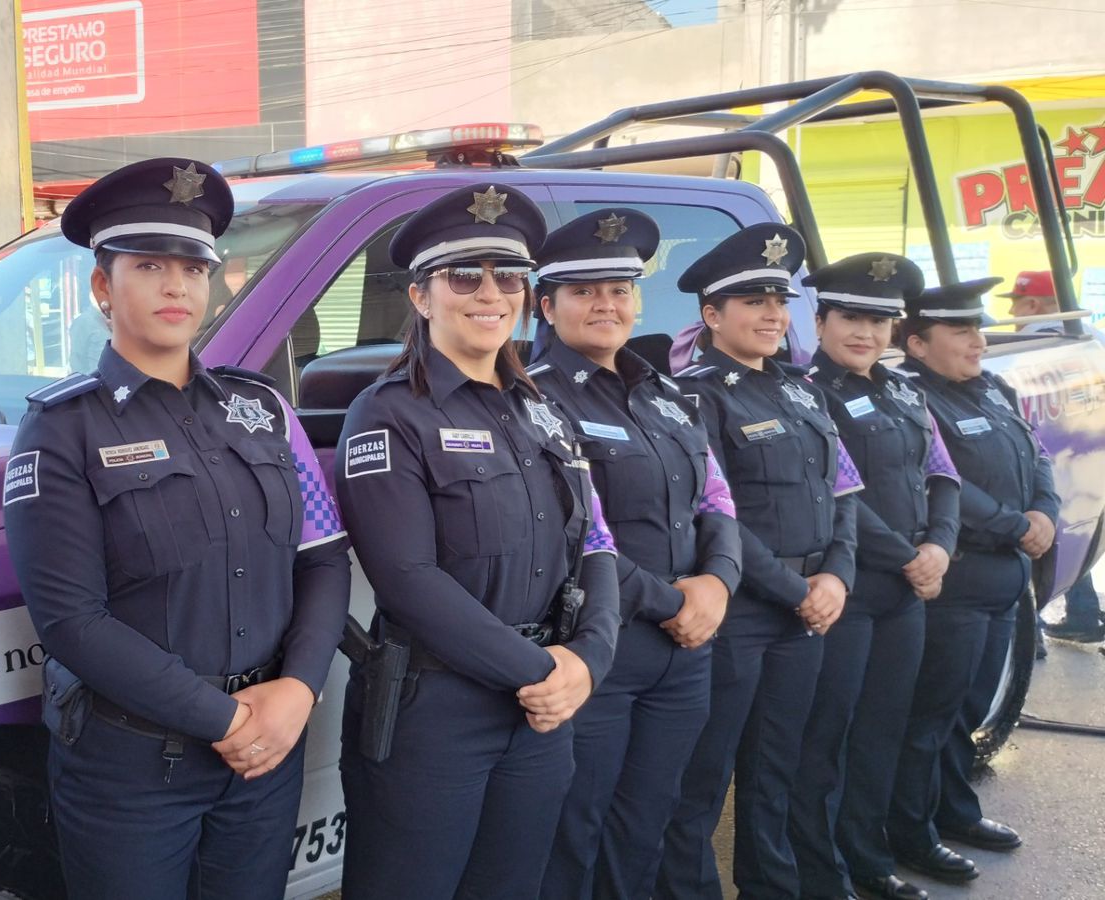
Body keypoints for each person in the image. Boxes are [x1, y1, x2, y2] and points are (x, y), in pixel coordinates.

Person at [1, 157, 351, 900]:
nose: (175, 285)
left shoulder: (262, 412)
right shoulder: (61, 429)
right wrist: (223, 719)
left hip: (266, 753)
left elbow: (321, 559)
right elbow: (70, 620)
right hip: (133, 765)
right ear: (103, 287)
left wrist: (297, 689)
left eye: (194, 267)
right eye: (149, 265)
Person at [331, 183, 620, 899]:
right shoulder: (386, 415)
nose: (490, 293)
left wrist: (589, 658)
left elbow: (597, 543)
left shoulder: (543, 410)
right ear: (423, 296)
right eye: (465, 276)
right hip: (438, 708)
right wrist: (542, 671)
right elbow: (406, 577)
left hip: (539, 709)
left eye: (509, 277)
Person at [527, 208, 742, 900]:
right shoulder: (533, 400)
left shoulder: (668, 396)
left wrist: (720, 582)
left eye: (619, 289)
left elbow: (719, 502)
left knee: (649, 822)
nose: (606, 304)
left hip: (684, 654)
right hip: (602, 647)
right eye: (585, 291)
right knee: (573, 830)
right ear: (547, 304)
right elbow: (570, 532)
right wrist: (676, 600)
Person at [657, 222, 863, 900]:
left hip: (806, 609)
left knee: (776, 771)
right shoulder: (693, 395)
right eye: (753, 302)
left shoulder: (803, 390)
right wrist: (793, 587)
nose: (773, 316)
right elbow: (713, 512)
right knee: (700, 780)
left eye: (780, 301)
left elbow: (843, 493)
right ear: (712, 315)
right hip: (741, 613)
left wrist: (836, 573)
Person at [787, 254, 961, 900]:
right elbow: (838, 495)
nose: (865, 333)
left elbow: (942, 474)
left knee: (882, 731)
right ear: (822, 319)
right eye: (851, 317)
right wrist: (908, 557)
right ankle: (817, 869)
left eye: (880, 321)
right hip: (848, 591)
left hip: (904, 596)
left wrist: (940, 546)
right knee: (825, 738)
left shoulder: (904, 391)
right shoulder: (806, 391)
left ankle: (866, 857)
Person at [888, 278, 1058, 885]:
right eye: (960, 331)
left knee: (970, 708)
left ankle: (955, 810)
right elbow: (943, 480)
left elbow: (1037, 457)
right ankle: (910, 830)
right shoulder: (913, 398)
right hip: (958, 577)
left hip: (1004, 576)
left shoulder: (994, 390)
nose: (977, 341)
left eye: (977, 328)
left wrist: (1045, 512)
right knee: (930, 712)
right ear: (917, 344)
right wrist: (1018, 525)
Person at [999, 270, 1105, 643]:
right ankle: (1083, 614)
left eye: (1015, 302)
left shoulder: (1019, 351)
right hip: (1086, 462)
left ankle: (1046, 629)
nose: (1012, 311)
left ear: (1031, 305)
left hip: (1046, 465)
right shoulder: (1088, 340)